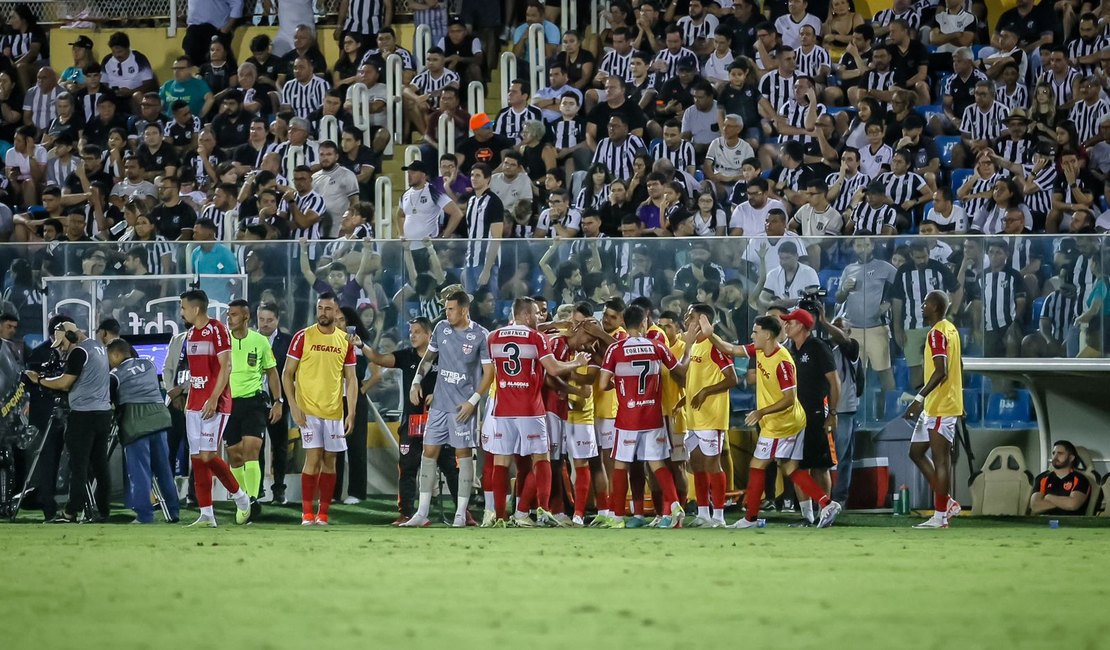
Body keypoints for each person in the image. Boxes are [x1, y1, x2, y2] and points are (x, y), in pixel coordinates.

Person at [702, 314, 843, 528]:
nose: (752, 335)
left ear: (767, 335)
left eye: (756, 331)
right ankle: (826, 503)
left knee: (758, 465)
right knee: (791, 469)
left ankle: (750, 518)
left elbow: (788, 399)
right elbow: (729, 349)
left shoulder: (782, 361)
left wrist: (761, 412)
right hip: (783, 422)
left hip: (783, 423)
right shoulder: (759, 350)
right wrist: (710, 335)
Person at [485, 297, 588, 527]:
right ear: (526, 315)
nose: (539, 318)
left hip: (502, 408)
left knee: (501, 461)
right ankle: (542, 511)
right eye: (535, 314)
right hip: (530, 408)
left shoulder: (493, 337)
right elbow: (554, 368)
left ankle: (500, 517)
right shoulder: (536, 338)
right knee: (541, 458)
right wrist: (576, 362)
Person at [400, 291, 493, 528]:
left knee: (462, 456)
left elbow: (489, 373)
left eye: (451, 309)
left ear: (463, 310)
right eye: (446, 309)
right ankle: (421, 512)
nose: (447, 313)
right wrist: (416, 381)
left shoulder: (480, 335)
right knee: (428, 452)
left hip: (462, 407)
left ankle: (461, 513)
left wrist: (472, 401)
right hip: (439, 405)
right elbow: (428, 358)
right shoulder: (441, 328)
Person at [597, 304, 694, 529]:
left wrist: (622, 386)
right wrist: (688, 348)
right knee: (658, 463)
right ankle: (675, 506)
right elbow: (680, 371)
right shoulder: (656, 347)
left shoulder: (616, 350)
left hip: (627, 417)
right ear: (643, 323)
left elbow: (603, 384)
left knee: (621, 465)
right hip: (653, 417)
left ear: (624, 322)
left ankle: (618, 517)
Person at [24, 321, 114, 523]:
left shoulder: (78, 352)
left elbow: (65, 384)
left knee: (78, 465)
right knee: (100, 465)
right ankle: (103, 511)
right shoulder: (98, 346)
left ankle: (70, 512)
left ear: (71, 337)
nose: (62, 350)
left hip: (83, 415)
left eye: (63, 344)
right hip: (103, 414)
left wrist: (38, 379)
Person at [177, 290, 253, 527]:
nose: (182, 312)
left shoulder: (218, 330)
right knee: (197, 460)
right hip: (194, 404)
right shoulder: (190, 334)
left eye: (183, 308)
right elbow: (196, 371)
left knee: (209, 455)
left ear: (196, 309)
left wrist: (213, 398)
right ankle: (207, 514)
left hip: (215, 404)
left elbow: (226, 366)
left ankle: (240, 496)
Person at [283, 292, 359, 526]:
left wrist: (351, 411)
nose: (323, 313)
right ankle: (307, 513)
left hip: (334, 410)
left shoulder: (345, 340)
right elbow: (287, 374)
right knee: (313, 458)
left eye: (328, 309)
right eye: (320, 308)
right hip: (308, 410)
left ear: (336, 312)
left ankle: (323, 514)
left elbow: (352, 379)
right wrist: (293, 407)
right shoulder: (303, 336)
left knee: (330, 460)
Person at [902, 290, 964, 529]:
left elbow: (942, 371)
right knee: (916, 452)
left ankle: (940, 517)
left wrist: (918, 398)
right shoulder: (951, 329)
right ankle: (946, 502)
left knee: (941, 460)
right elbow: (959, 364)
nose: (922, 306)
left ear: (936, 307)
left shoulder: (937, 333)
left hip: (941, 404)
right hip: (939, 404)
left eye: (926, 302)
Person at [107, 339, 180, 524]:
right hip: (159, 418)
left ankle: (145, 516)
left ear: (115, 354)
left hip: (135, 422)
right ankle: (173, 512)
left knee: (140, 472)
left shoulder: (115, 374)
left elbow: (109, 398)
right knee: (164, 469)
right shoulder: (148, 364)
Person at [224, 300, 282, 520]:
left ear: (246, 317)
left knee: (251, 450)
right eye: (229, 314)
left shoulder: (260, 342)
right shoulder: (223, 341)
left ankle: (252, 498)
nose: (230, 318)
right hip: (228, 404)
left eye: (234, 315)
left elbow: (272, 372)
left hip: (254, 403)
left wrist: (278, 401)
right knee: (235, 456)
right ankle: (242, 501)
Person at [781, 307, 840, 525]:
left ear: (804, 326)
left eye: (791, 322)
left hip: (816, 412)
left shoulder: (817, 347)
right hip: (796, 416)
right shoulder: (790, 350)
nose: (786, 325)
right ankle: (808, 516)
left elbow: (834, 382)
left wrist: (832, 413)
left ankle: (826, 511)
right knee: (797, 465)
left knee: (819, 465)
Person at [682, 303, 737, 528]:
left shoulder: (713, 345)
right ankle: (703, 513)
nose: (686, 319)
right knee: (697, 464)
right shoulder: (694, 344)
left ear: (704, 321)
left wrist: (706, 391)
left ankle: (719, 517)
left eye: (691, 316)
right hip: (694, 416)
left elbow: (733, 379)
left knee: (712, 464)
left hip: (711, 416)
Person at [257, 302, 293, 504]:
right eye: (261, 320)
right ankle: (258, 488)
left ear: (278, 320)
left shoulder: (287, 342)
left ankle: (279, 489)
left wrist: (282, 400)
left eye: (269, 320)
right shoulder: (250, 339)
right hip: (255, 400)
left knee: (280, 446)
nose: (265, 324)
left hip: (280, 400)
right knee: (256, 446)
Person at [1030, 440, 1092, 515]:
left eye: (1060, 453)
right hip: (1044, 523)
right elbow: (1035, 506)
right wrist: (1064, 502)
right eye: (1053, 453)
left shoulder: (1080, 479)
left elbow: (1072, 505)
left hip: (1070, 524)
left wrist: (1048, 497)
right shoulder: (1042, 478)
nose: (1055, 457)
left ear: (1071, 458)